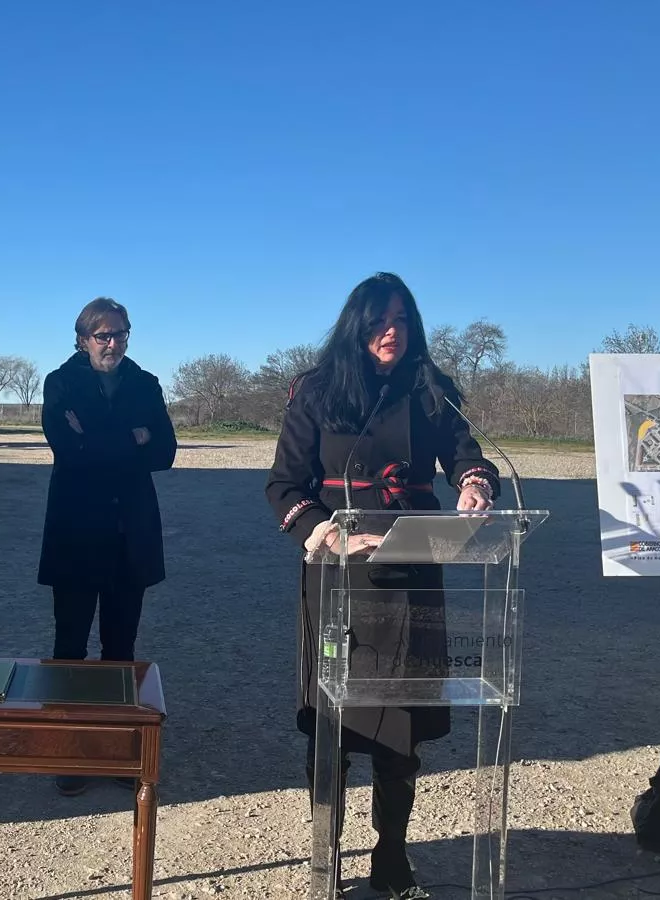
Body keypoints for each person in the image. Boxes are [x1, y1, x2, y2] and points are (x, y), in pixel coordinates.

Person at [263, 272, 500, 900]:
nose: (391, 331)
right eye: (378, 321)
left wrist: (474, 484)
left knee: (402, 724)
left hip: (413, 573)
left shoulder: (430, 389)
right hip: (339, 573)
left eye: (401, 320)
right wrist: (326, 533)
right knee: (334, 725)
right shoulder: (316, 390)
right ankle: (326, 859)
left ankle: (392, 858)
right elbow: (284, 485)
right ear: (357, 325)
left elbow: (467, 455)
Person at [36, 297, 176, 796]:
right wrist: (132, 438)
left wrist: (97, 436)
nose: (113, 343)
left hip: (129, 535)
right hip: (77, 532)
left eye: (120, 334)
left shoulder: (146, 383)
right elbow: (67, 449)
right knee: (70, 647)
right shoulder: (60, 383)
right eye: (103, 335)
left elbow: (165, 451)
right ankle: (69, 750)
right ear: (83, 340)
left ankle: (116, 747)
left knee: (120, 648)